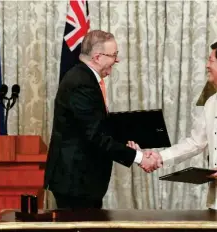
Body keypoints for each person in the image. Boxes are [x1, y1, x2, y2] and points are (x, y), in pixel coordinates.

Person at [129, 41, 217, 209]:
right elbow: (195, 142)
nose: (207, 66)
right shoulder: (211, 102)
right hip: (216, 197)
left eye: (211, 61)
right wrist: (160, 157)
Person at [44, 30, 161, 209]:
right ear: (97, 57)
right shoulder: (81, 83)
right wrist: (139, 158)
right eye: (113, 55)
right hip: (76, 182)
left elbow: (96, 126)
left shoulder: (86, 78)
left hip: (82, 182)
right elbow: (95, 136)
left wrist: (126, 141)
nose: (117, 60)